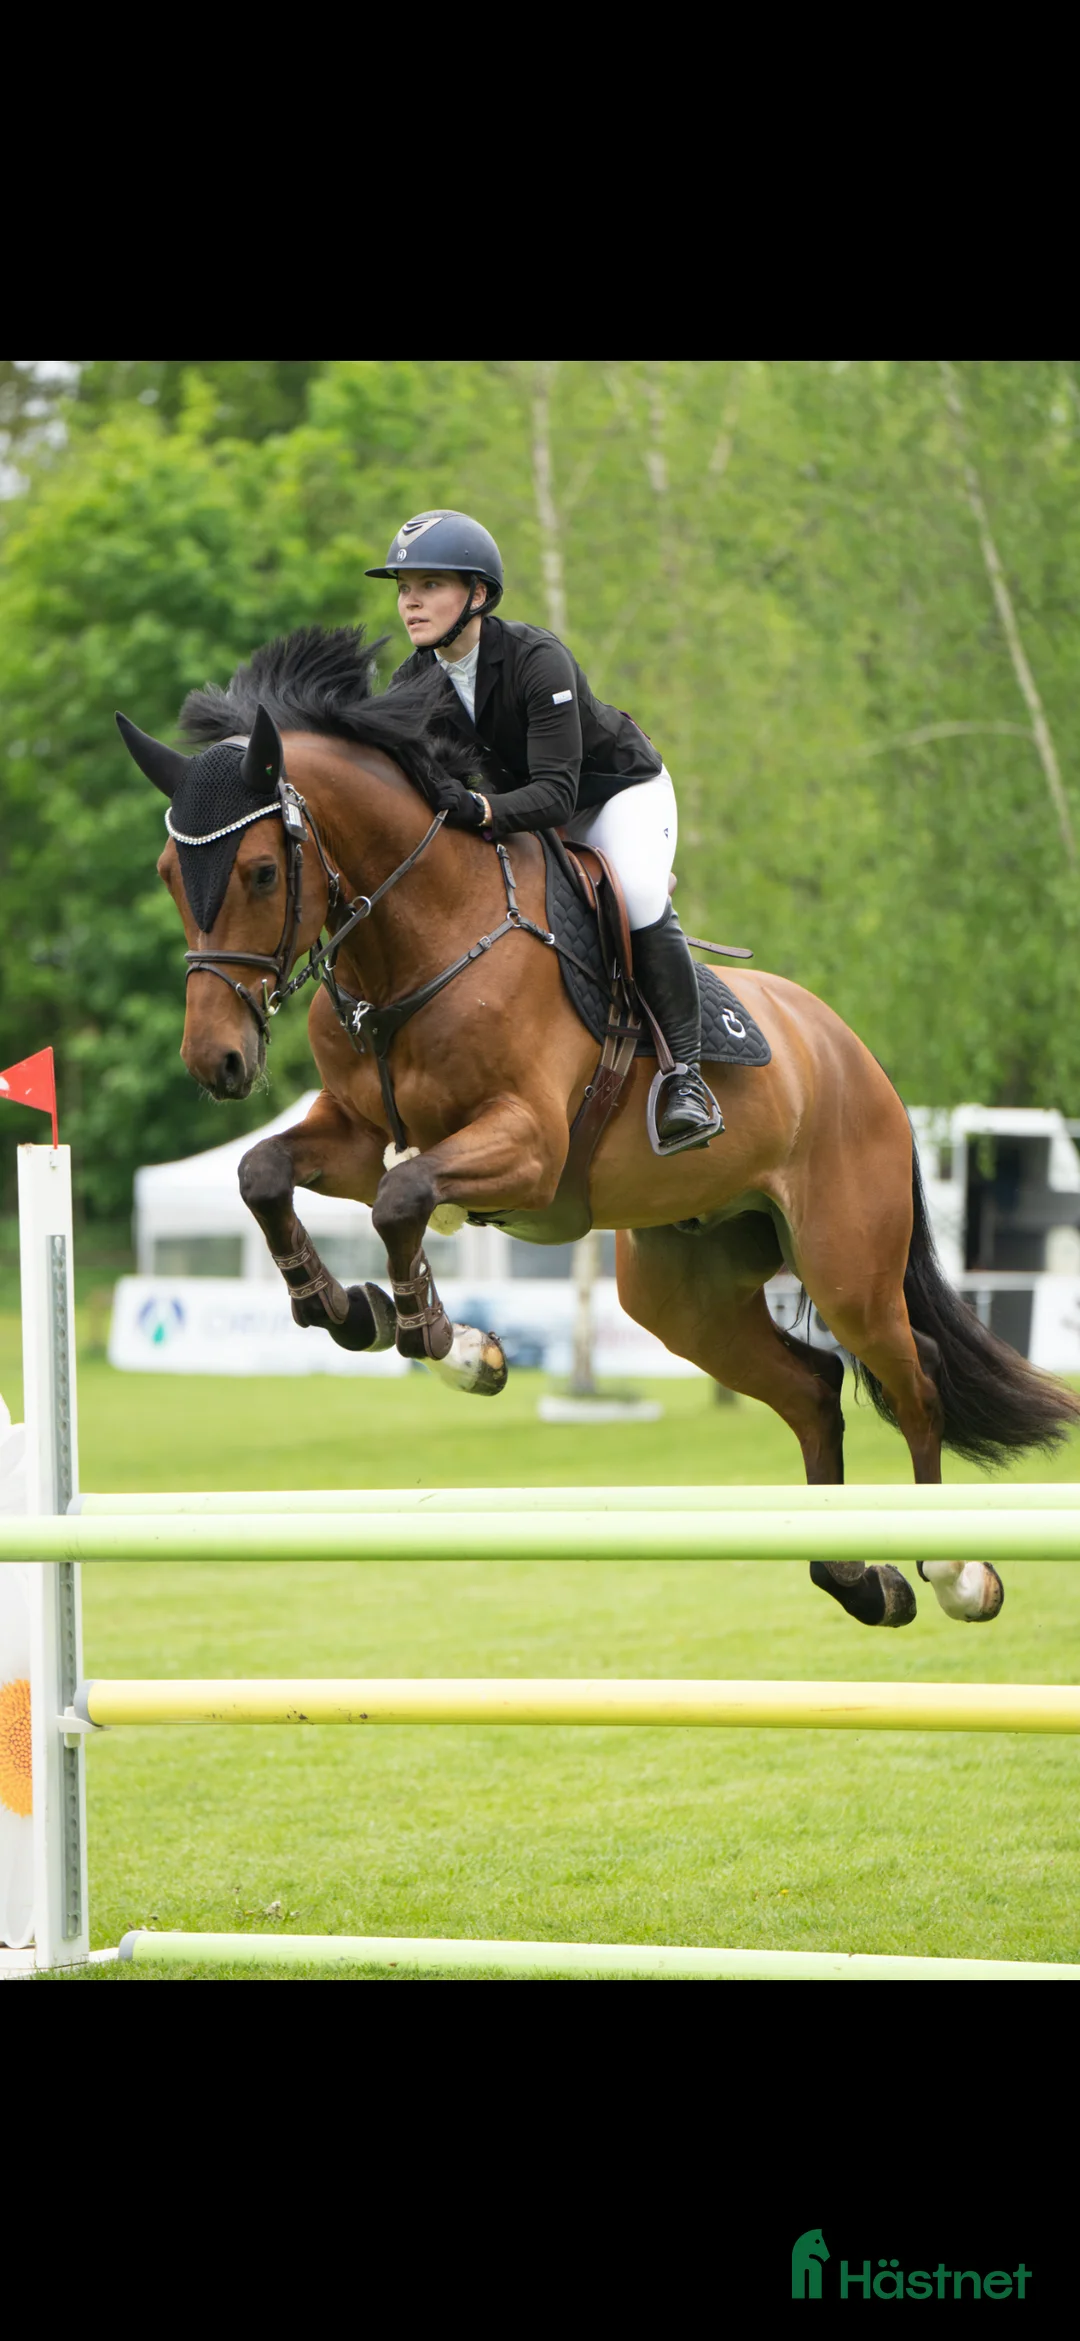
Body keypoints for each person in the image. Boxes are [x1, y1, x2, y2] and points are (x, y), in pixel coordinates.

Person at [366, 509, 722, 1149]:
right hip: (516, 810)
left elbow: (558, 797)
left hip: (612, 794)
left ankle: (685, 1078)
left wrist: (475, 810)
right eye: (403, 588)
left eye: (429, 586)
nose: (410, 603)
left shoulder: (536, 659)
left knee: (637, 893)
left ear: (476, 595)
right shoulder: (411, 684)